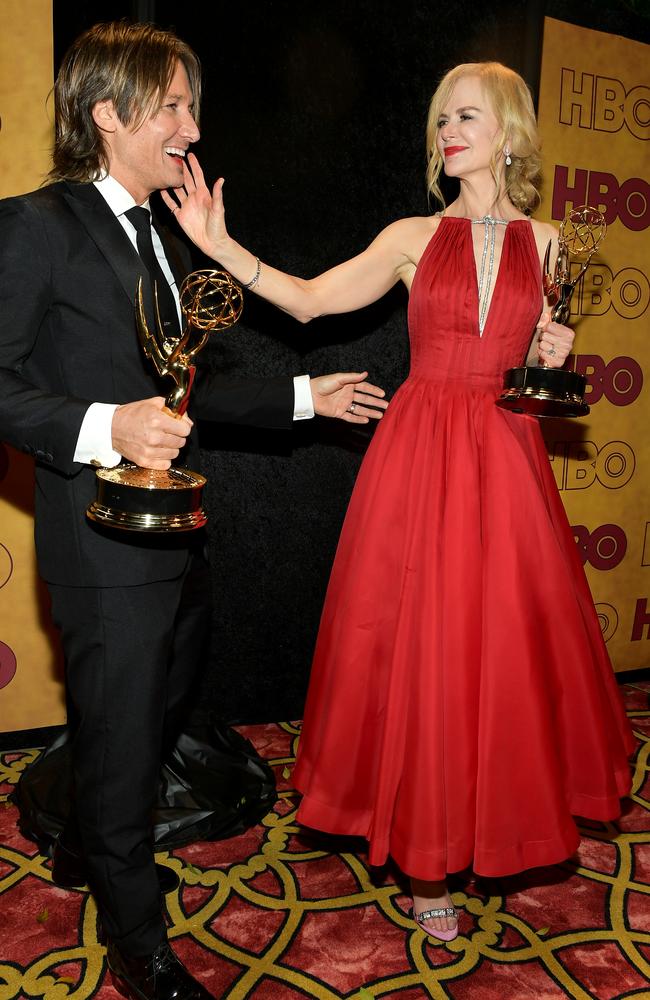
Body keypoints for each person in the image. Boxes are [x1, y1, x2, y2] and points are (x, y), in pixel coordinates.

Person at [163, 61, 634, 944]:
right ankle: (425, 861)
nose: (448, 130)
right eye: (439, 118)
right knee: (423, 647)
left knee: (500, 650)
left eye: (466, 115)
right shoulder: (412, 235)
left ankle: (499, 818)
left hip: (507, 458)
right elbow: (306, 303)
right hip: (421, 453)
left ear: (510, 130)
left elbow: (541, 382)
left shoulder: (553, 242)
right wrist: (220, 246)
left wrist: (557, 351)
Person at [0, 20, 388, 1000]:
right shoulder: (36, 226)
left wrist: (306, 397)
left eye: (191, 103)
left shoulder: (159, 234)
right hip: (99, 543)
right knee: (126, 734)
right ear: (108, 114)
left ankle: (94, 842)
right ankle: (139, 945)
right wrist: (104, 425)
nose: (191, 123)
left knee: (152, 709)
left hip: (173, 534)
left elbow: (182, 387)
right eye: (171, 104)